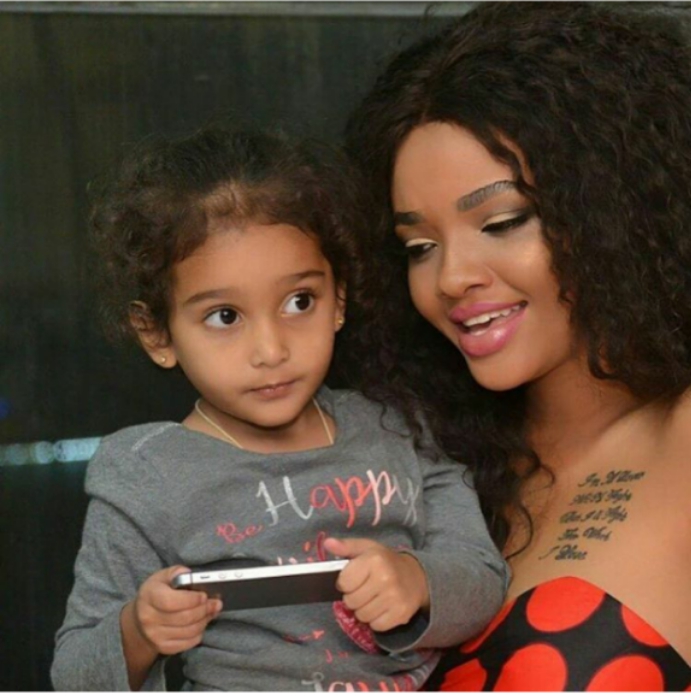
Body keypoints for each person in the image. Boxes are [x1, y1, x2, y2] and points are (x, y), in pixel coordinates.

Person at [50, 125, 507, 692]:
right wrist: (140, 630)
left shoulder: (401, 426)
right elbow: (74, 676)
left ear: (339, 299)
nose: (271, 350)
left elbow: (485, 578)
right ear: (157, 333)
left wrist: (418, 582)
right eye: (224, 317)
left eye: (299, 301)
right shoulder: (147, 477)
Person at [344, 2, 691, 691]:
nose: (451, 278)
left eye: (502, 222)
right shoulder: (421, 472)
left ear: (614, 212)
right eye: (419, 246)